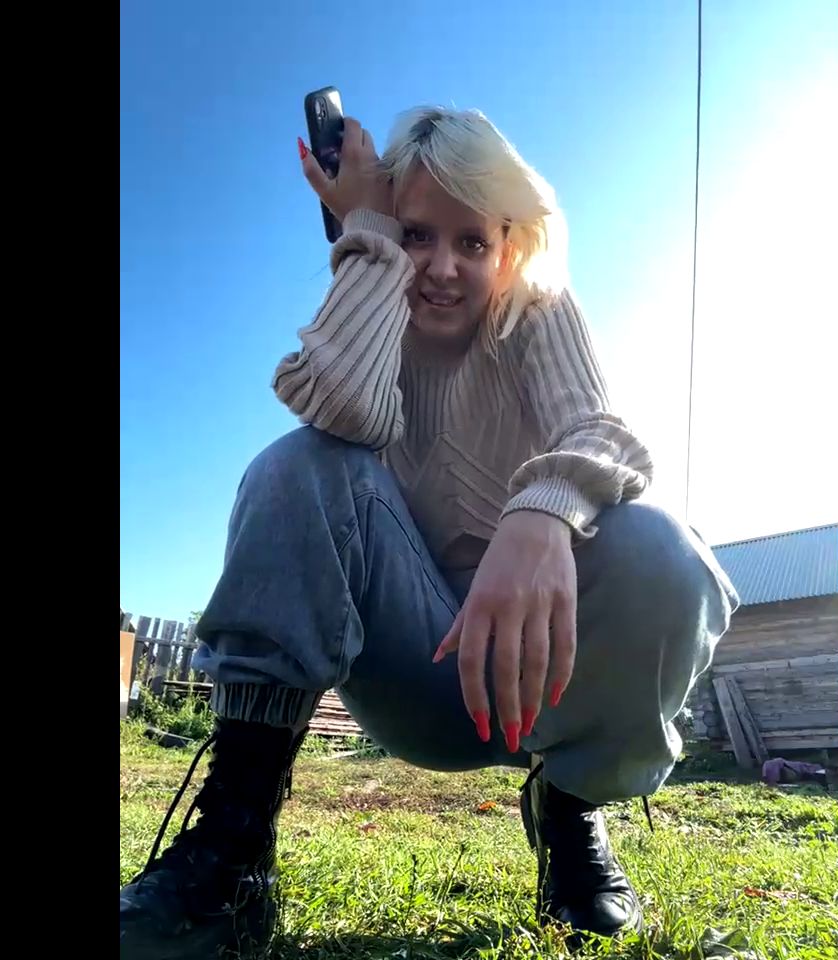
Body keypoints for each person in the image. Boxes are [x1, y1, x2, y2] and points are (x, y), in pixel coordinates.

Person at [119, 105, 739, 959]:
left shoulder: (535, 312)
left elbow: (602, 432)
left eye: (471, 242)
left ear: (507, 247)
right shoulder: (377, 311)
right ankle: (234, 850)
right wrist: (367, 235)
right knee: (297, 464)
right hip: (413, 671)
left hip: (540, 686)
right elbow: (341, 412)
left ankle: (570, 814)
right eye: (416, 234)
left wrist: (540, 510)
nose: (442, 268)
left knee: (662, 550)